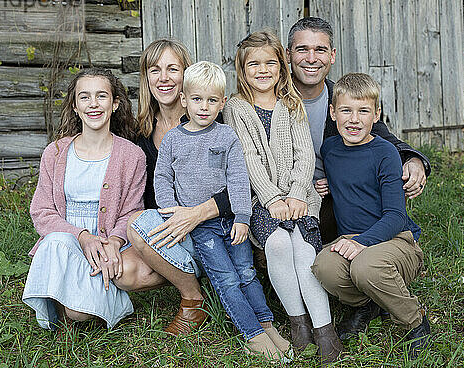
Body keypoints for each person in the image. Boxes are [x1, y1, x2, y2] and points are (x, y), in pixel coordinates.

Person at [154, 61, 289, 360]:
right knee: (226, 278)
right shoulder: (173, 140)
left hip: (230, 221)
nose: (204, 107)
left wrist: (242, 217)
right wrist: (169, 208)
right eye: (197, 99)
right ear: (184, 100)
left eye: (212, 100)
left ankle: (267, 325)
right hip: (200, 227)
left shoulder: (227, 136)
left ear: (222, 103)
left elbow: (239, 179)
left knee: (247, 273)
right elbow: (162, 176)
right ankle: (252, 335)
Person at [223, 30, 343, 365]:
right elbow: (247, 158)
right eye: (253, 64)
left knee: (303, 247)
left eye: (269, 63)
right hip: (261, 198)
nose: (262, 70)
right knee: (277, 245)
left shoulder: (291, 103)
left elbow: (305, 154)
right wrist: (273, 197)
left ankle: (324, 328)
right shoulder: (237, 107)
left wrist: (295, 194)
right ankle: (298, 323)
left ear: (281, 65)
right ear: (242, 70)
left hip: (302, 194)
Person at [311, 73, 430, 359]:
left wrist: (362, 242)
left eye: (363, 111)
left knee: (365, 267)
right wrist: (324, 184)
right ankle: (368, 302)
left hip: (395, 239)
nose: (354, 119)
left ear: (376, 114)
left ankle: (415, 321)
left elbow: (395, 216)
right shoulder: (330, 149)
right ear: (332, 113)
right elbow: (348, 179)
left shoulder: (386, 153)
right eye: (346, 111)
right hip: (353, 237)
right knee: (323, 267)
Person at [285, 17, 431, 240]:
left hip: (334, 200)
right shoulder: (272, 102)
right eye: (302, 49)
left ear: (332, 55)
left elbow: (383, 138)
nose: (311, 58)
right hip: (286, 196)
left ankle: (387, 234)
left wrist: (413, 159)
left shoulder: (345, 100)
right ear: (288, 55)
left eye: (320, 50)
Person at [22, 68, 146, 329]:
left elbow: (132, 211)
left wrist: (112, 241)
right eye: (84, 97)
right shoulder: (54, 153)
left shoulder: (132, 155)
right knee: (55, 242)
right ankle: (70, 298)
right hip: (66, 241)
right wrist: (81, 236)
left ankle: (94, 299)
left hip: (107, 243)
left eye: (101, 96)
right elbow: (42, 211)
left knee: (78, 314)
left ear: (114, 104)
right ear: (75, 107)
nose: (93, 104)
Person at [126, 39, 235, 336]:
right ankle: (196, 284)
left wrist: (196, 214)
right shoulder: (142, 132)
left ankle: (192, 298)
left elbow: (242, 184)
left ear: (186, 75)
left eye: (172, 69)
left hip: (217, 226)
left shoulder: (212, 117)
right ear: (145, 77)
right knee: (127, 273)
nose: (163, 78)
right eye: (155, 70)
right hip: (173, 229)